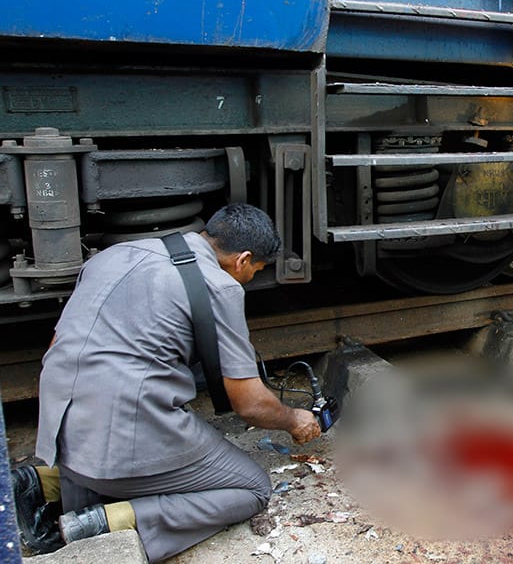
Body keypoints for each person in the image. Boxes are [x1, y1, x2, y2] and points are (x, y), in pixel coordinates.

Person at [11, 203, 321, 562]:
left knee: (110, 457)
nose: (250, 278)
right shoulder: (220, 286)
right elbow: (249, 404)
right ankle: (103, 524)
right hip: (117, 434)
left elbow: (58, 343)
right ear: (243, 259)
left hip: (59, 425)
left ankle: (41, 482)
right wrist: (294, 419)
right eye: (256, 270)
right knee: (250, 487)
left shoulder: (114, 255)